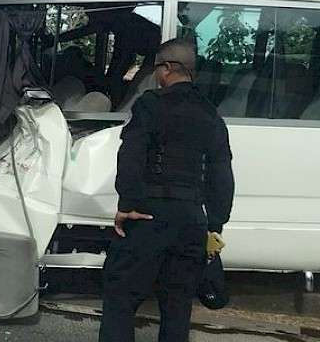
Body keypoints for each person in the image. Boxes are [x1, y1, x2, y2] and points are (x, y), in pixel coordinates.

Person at [99, 39, 235, 342]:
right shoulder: (211, 115)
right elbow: (222, 173)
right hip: (192, 220)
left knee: (120, 297)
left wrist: (127, 203)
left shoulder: (151, 104)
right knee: (177, 306)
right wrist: (214, 225)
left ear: (167, 68)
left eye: (158, 68)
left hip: (149, 213)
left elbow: (131, 154)